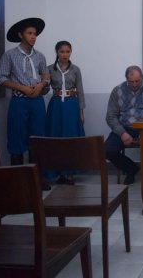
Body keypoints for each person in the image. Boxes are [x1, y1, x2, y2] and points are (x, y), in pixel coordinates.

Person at [0, 18, 49, 167]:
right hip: (19, 101)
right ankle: (18, 180)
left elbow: (46, 75)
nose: (33, 37)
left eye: (35, 34)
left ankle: (37, 179)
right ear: (21, 35)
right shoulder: (10, 55)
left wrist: (41, 85)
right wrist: (21, 88)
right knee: (16, 137)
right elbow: (0, 78)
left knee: (38, 137)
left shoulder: (40, 56)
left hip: (37, 102)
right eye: (30, 33)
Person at [105, 65, 143, 185]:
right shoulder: (117, 90)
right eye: (131, 82)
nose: (135, 84)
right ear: (126, 79)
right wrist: (122, 133)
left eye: (137, 81)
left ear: (141, 78)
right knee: (108, 150)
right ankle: (131, 169)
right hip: (124, 127)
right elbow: (110, 116)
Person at [46, 40, 85, 185]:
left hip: (71, 106)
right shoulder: (49, 69)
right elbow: (44, 87)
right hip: (56, 106)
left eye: (67, 51)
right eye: (62, 51)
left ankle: (70, 173)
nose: (65, 54)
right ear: (57, 52)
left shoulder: (76, 69)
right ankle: (58, 173)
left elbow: (80, 90)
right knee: (56, 136)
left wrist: (81, 111)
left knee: (71, 137)